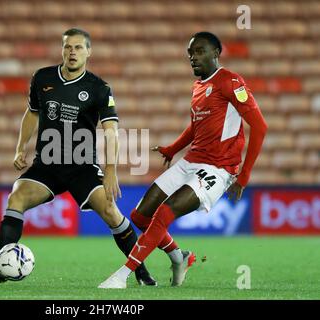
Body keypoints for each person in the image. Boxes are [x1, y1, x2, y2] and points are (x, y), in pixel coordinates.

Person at [0, 28, 156, 286]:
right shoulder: (42, 77)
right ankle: (3, 264)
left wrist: (111, 168)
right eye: (68, 47)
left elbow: (111, 131)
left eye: (79, 47)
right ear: (62, 50)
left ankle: (140, 271)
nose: (72, 52)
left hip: (82, 165)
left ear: (89, 52)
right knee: (16, 196)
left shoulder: (99, 88)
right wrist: (20, 147)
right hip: (47, 164)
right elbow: (32, 113)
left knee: (110, 211)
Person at [98, 31, 268, 289]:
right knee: (140, 216)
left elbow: (260, 127)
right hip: (190, 161)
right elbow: (195, 127)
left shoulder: (231, 81)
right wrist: (172, 149)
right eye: (190, 53)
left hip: (218, 168)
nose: (193, 58)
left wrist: (243, 176)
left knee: (165, 212)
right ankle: (179, 257)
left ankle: (122, 275)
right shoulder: (198, 86)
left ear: (215, 53)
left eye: (199, 52)